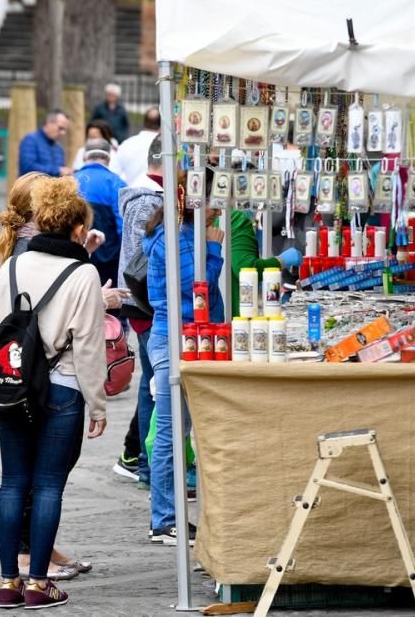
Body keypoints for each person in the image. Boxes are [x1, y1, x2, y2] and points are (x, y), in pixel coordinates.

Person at [0, 177, 108, 610]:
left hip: (13, 386)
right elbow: (90, 345)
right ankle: (38, 582)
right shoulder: (83, 273)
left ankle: (7, 582)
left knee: (12, 482)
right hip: (64, 387)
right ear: (76, 228)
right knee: (49, 485)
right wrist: (98, 402)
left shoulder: (11, 267)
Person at [141, 169, 224, 545]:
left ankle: (166, 516)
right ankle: (165, 519)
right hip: (177, 339)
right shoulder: (183, 240)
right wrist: (215, 249)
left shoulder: (173, 235)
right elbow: (198, 293)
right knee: (173, 435)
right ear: (194, 200)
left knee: (175, 432)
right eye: (213, 197)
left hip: (174, 337)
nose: (217, 206)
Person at [113, 135, 164, 485]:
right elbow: (141, 257)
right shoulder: (146, 200)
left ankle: (146, 460)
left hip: (146, 303)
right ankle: (147, 462)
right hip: (145, 304)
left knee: (152, 383)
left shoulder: (152, 196)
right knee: (153, 384)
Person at [229, 208, 302, 316]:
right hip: (231, 315)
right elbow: (246, 268)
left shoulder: (199, 223)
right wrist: (281, 261)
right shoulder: (234, 219)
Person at [74, 138, 127, 286]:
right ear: (109, 159)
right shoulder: (117, 184)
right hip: (108, 262)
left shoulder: (69, 182)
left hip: (74, 258)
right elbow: (123, 227)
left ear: (84, 158)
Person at [112, 106, 160, 184]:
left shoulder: (126, 144)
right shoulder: (166, 147)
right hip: (160, 194)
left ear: (144, 122)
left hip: (132, 193)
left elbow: (114, 174)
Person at [19, 110, 71, 178]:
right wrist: (58, 170)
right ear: (49, 123)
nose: (63, 133)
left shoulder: (59, 148)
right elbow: (28, 167)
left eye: (65, 129)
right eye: (60, 128)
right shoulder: (30, 141)